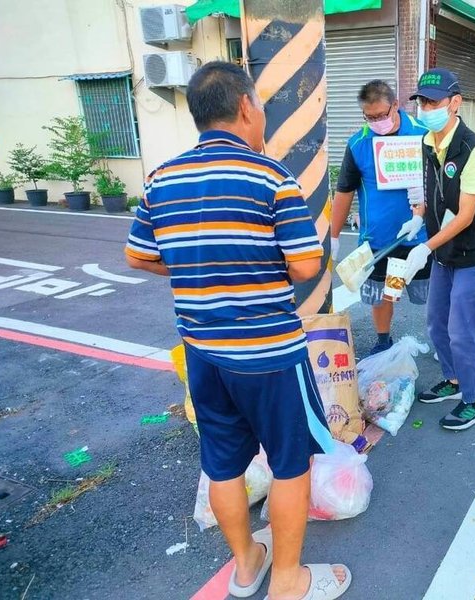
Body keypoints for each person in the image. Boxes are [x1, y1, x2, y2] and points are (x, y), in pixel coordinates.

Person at [124, 62, 350, 600]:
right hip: (269, 352)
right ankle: (289, 581)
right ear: (246, 107)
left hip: (203, 352)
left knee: (223, 463)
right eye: (262, 106)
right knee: (289, 463)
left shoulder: (162, 178)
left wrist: (197, 266)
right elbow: (302, 265)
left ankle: (247, 566)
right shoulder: (270, 177)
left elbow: (138, 255)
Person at [402, 68, 475, 430]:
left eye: (433, 102)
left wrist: (424, 246)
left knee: (460, 330)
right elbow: (433, 192)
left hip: (471, 255)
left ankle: (474, 399)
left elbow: (467, 214)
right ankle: (453, 381)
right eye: (422, 102)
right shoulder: (427, 143)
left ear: (455, 104)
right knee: (435, 324)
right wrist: (418, 216)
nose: (426, 108)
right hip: (443, 254)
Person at [331, 80, 430, 355]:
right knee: (385, 293)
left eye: (382, 115)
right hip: (378, 239)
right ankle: (383, 339)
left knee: (430, 292)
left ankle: (443, 340)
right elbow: (344, 192)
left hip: (419, 237)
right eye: (369, 117)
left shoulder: (424, 136)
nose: (376, 122)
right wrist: (334, 236)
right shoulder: (359, 143)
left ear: (396, 105)